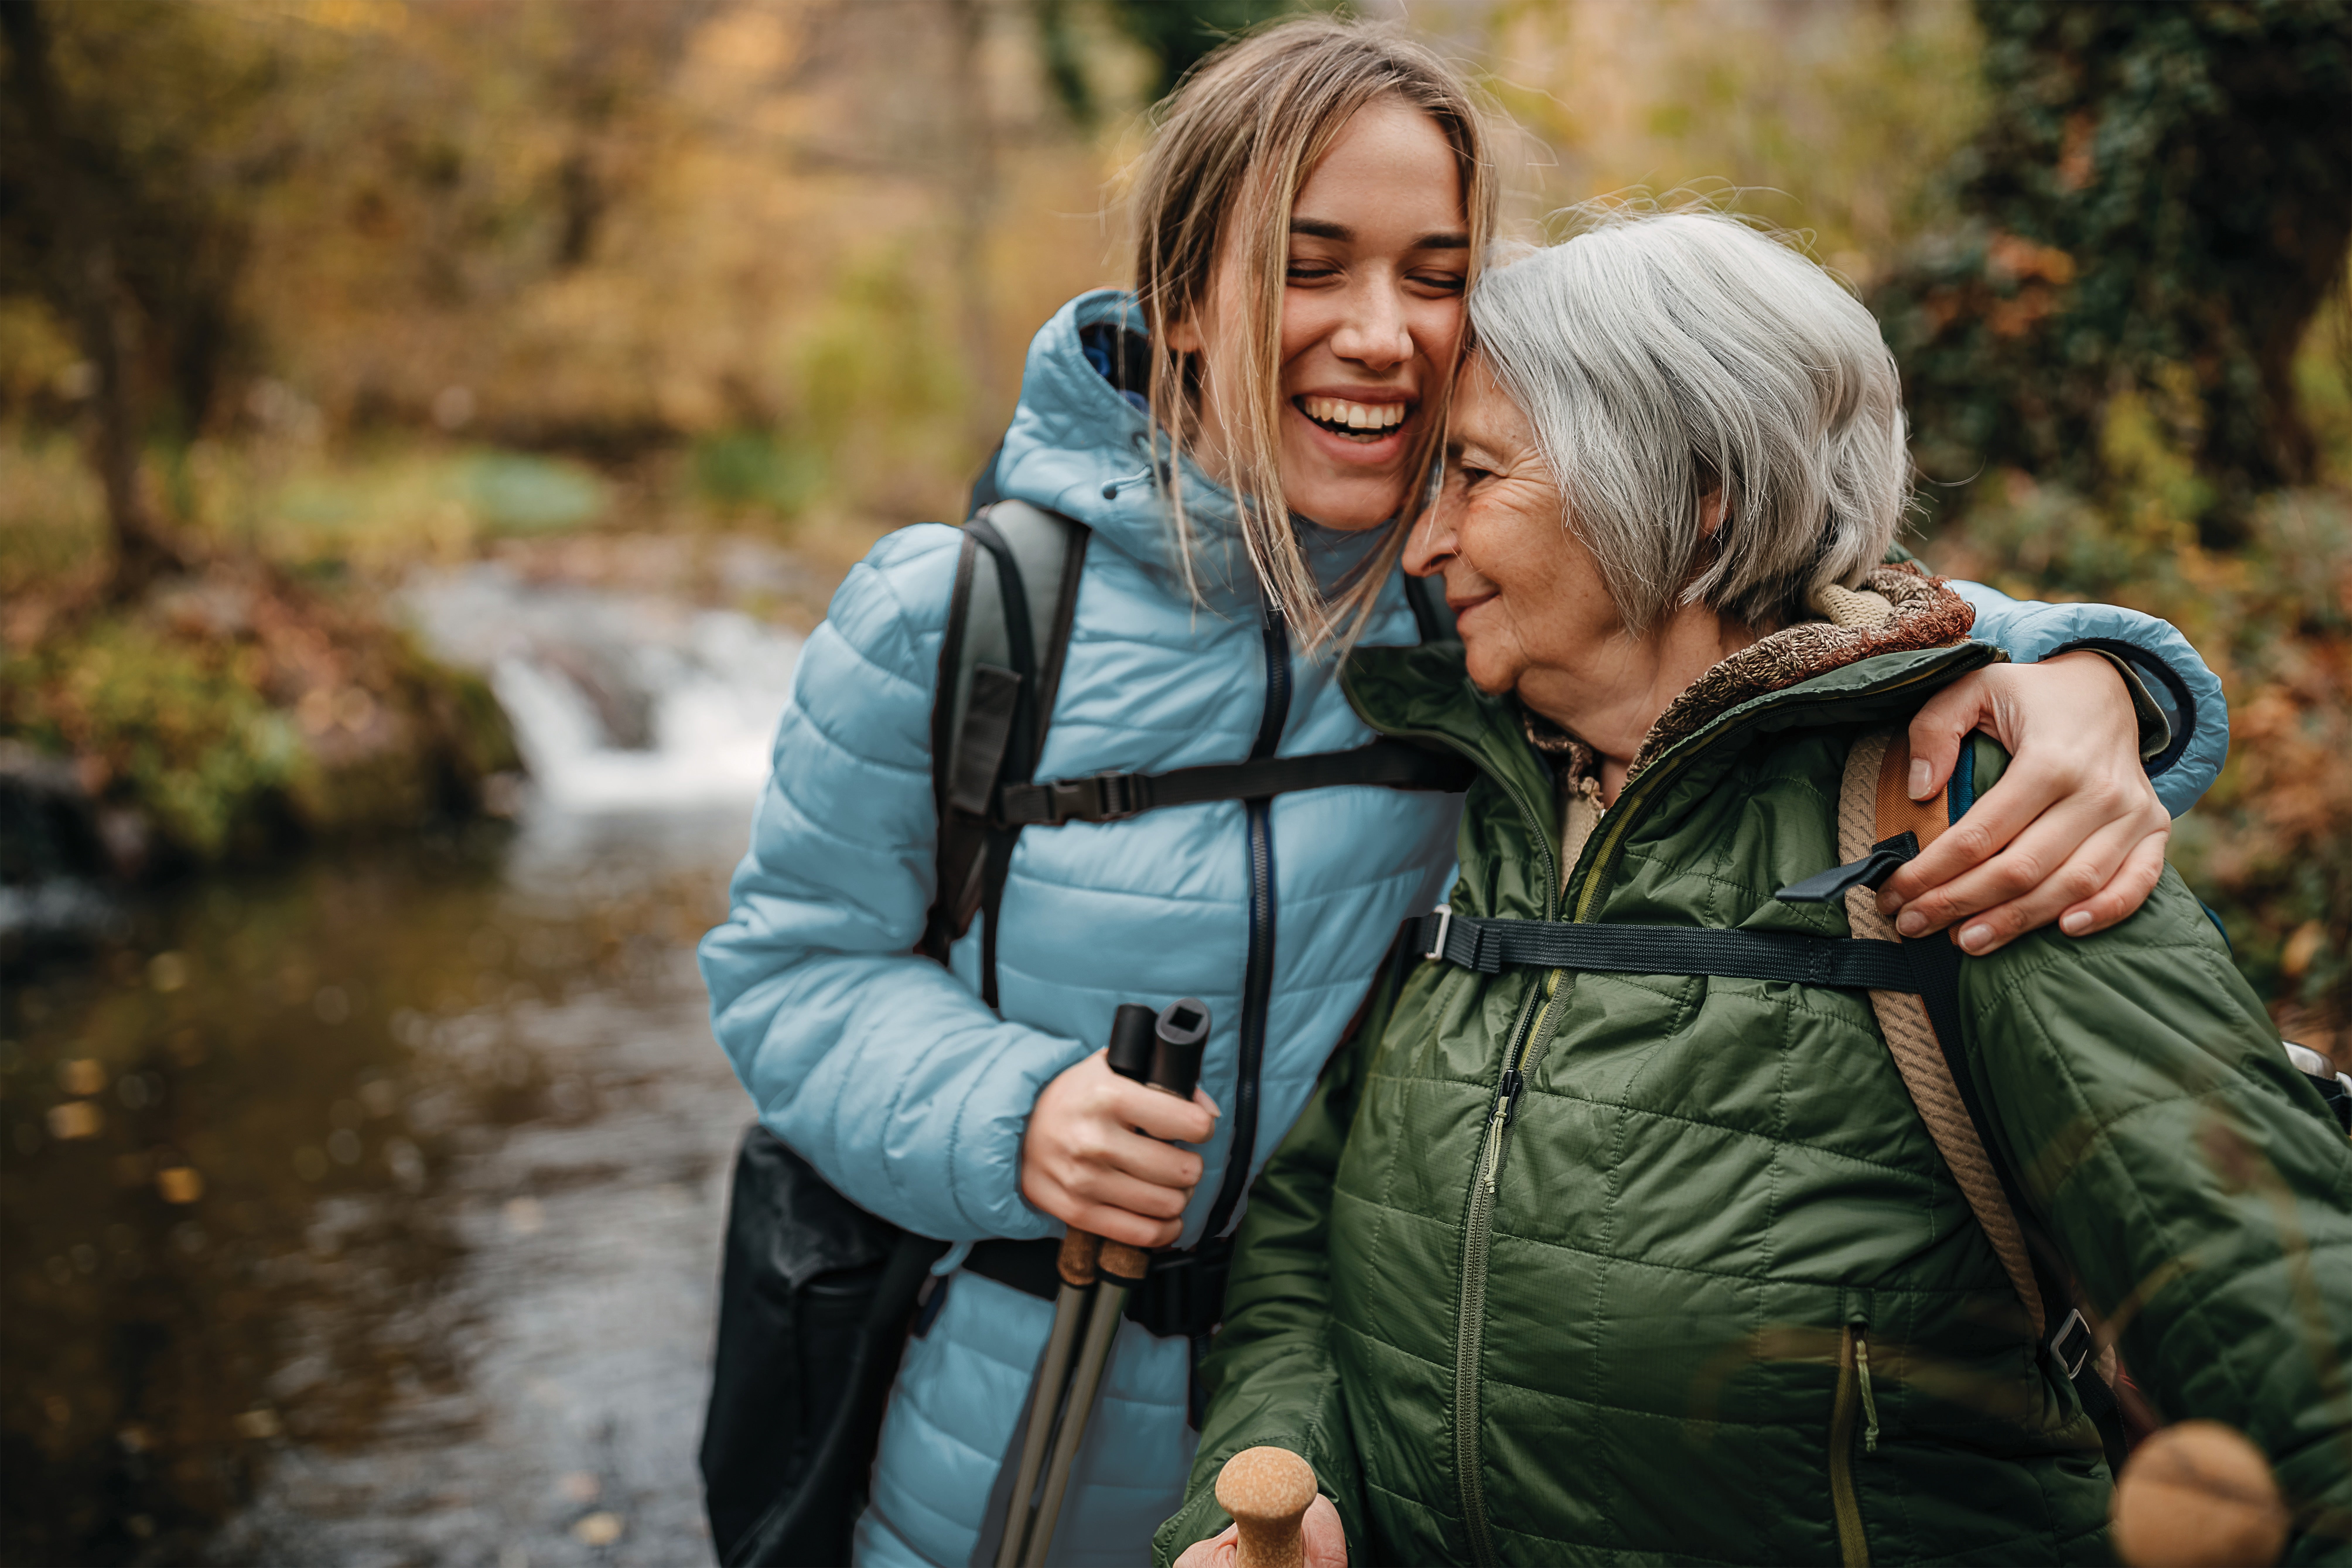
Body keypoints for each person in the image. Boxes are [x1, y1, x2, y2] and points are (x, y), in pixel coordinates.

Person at [700, 21, 2234, 1568]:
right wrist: (1008, 1111)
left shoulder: (1486, 587)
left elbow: (1800, 601)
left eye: (1437, 276)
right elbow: (788, 971)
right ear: (1177, 296)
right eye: (1311, 266)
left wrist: (2089, 672)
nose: (1384, 334)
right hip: (1013, 1430)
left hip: (1393, 1446)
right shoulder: (955, 617)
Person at [1157, 211, 2352, 1568]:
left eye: (1475, 476)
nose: (1423, 548)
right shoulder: (1482, 809)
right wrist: (1277, 1494)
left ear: (1692, 493)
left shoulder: (1967, 821)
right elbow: (1308, 1251)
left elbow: (2294, 1346)